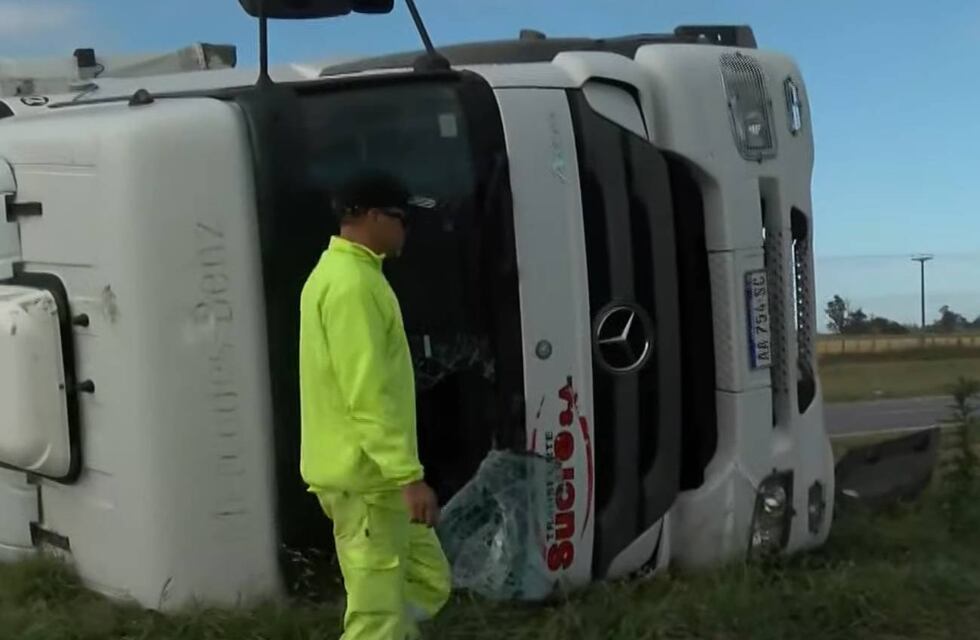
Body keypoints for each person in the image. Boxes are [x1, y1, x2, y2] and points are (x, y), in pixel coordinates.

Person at [299, 171, 450, 640]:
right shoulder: (352, 287)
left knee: (428, 581)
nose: (406, 230)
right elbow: (366, 393)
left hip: (373, 479)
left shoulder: (352, 276)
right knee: (376, 619)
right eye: (401, 219)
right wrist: (409, 477)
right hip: (369, 482)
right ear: (370, 217)